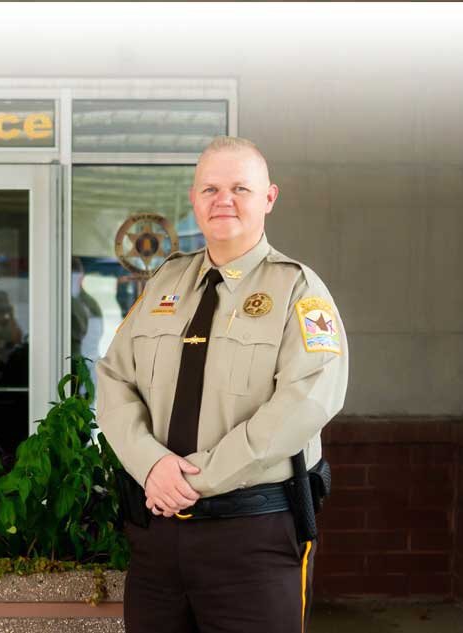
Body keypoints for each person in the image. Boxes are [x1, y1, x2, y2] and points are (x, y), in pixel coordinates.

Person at [95, 136, 348, 633]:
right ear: (194, 199)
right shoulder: (164, 284)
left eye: (240, 188)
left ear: (269, 198)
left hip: (251, 539)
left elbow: (307, 401)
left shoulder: (297, 289)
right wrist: (150, 464)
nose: (223, 200)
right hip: (158, 539)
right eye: (210, 188)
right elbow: (113, 379)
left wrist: (195, 479)